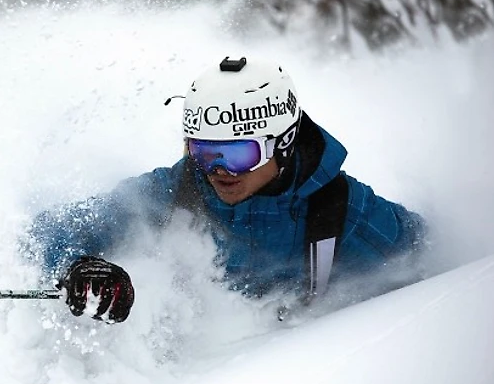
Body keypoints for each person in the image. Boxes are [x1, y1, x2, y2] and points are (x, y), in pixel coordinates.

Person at [23, 57, 427, 323]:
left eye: (237, 154)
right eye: (203, 151)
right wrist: (78, 266)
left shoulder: (340, 212)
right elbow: (51, 230)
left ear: (281, 143)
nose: (217, 171)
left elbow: (435, 266)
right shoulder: (176, 190)